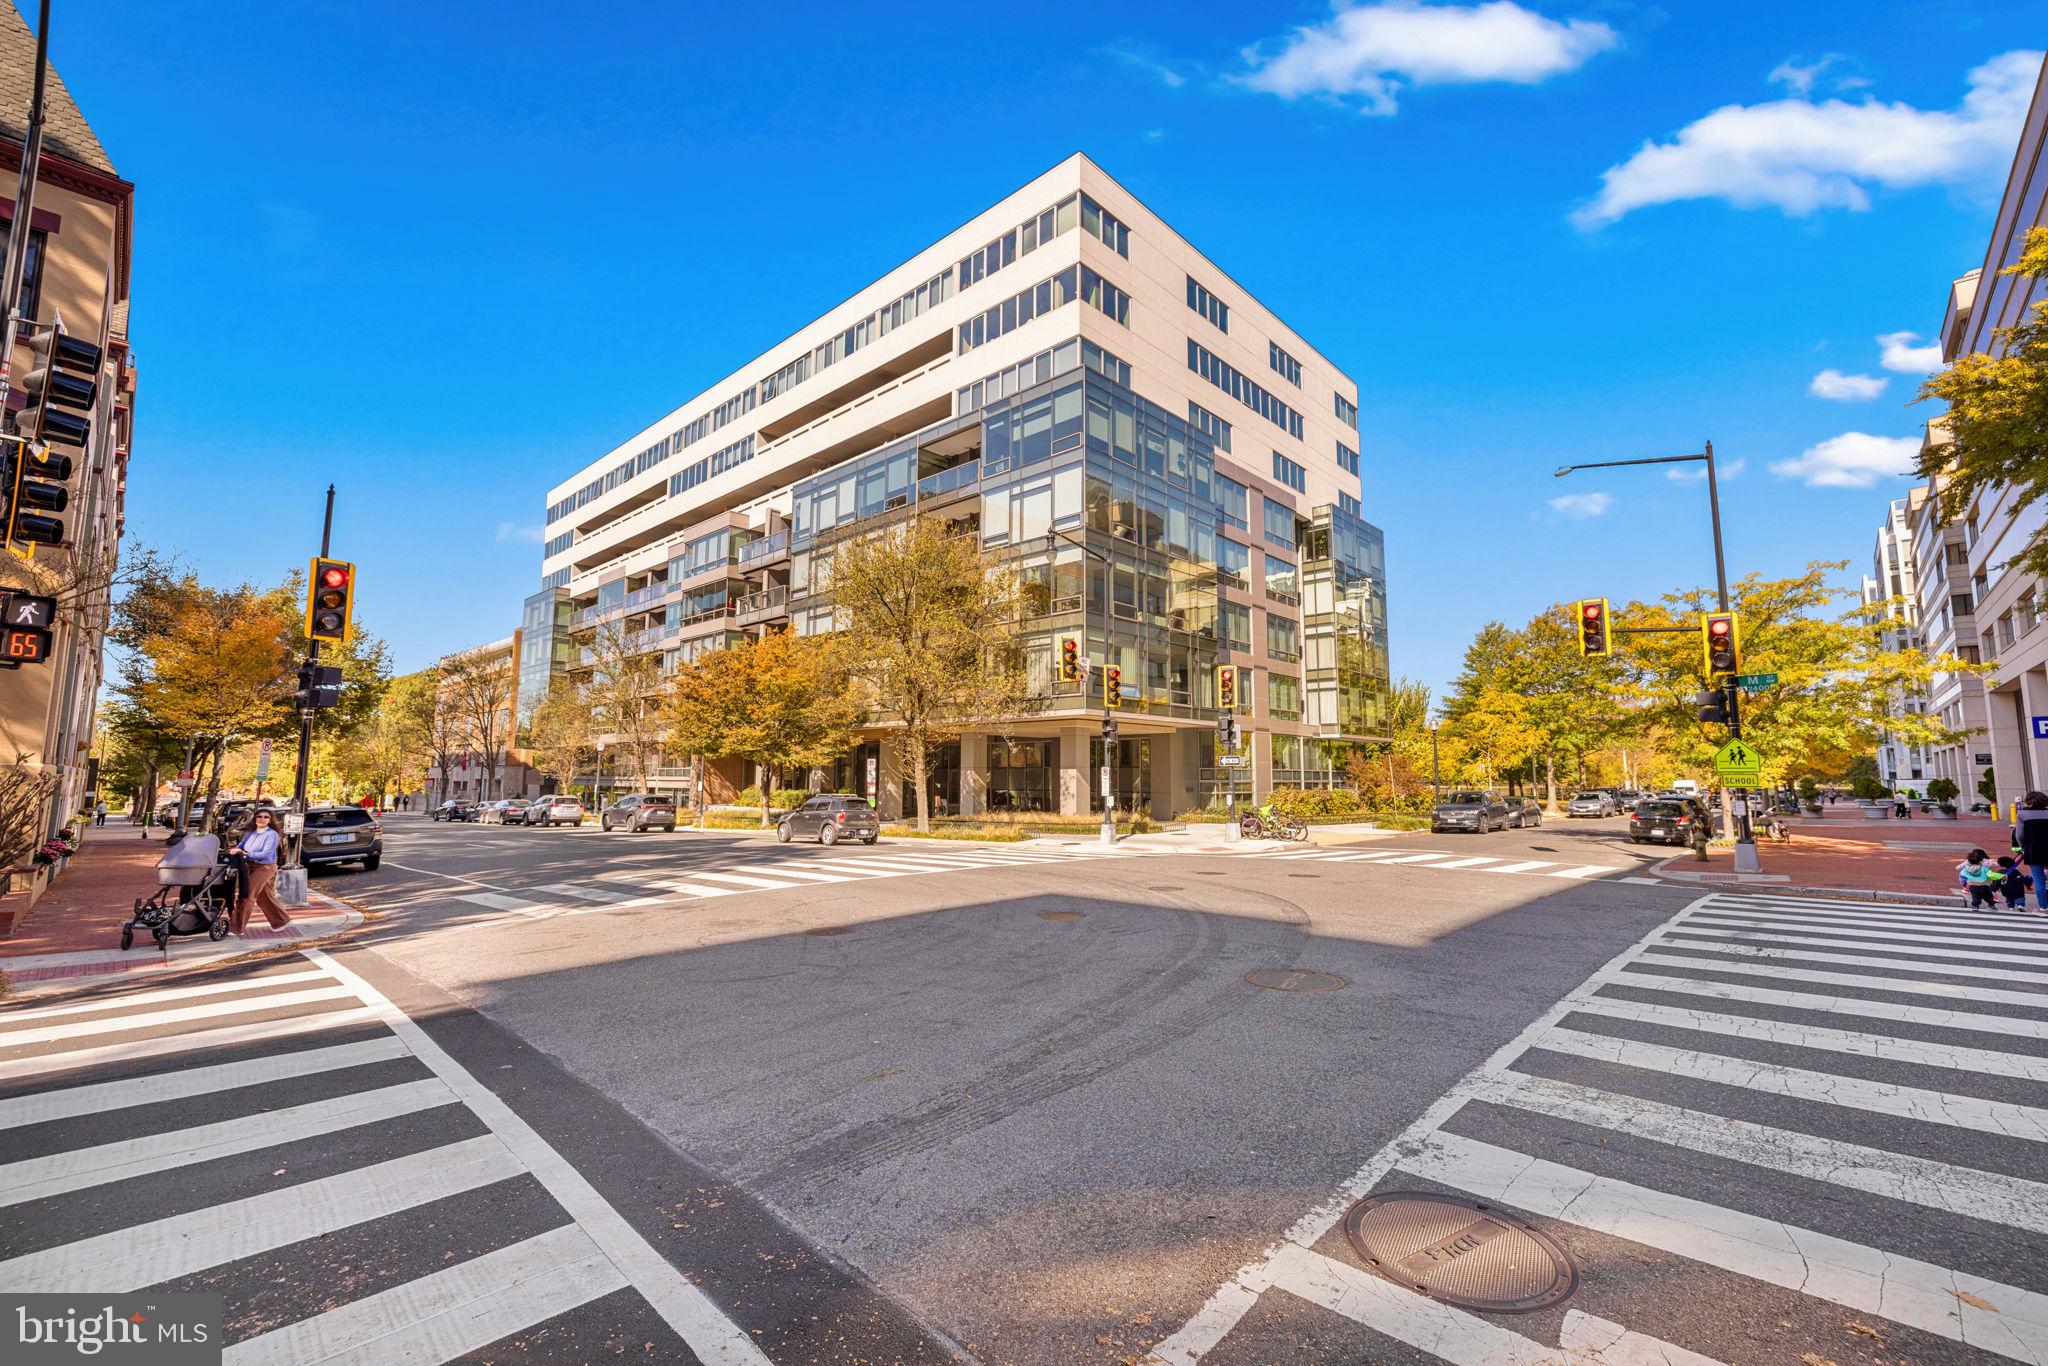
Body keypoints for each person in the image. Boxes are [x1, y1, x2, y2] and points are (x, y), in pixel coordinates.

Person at [229, 808, 291, 935]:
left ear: (270, 820)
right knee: (264, 897)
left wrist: (245, 854)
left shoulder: (271, 834)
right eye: (259, 816)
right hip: (249, 867)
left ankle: (236, 928)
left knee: (246, 896)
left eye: (266, 817)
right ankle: (281, 921)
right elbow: (241, 846)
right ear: (255, 818)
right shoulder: (251, 833)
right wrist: (233, 850)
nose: (262, 819)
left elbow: (266, 853)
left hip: (265, 867)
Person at [2011, 791, 2048, 911]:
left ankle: (2043, 908)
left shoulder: (2022, 814)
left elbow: (2019, 835)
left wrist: (2022, 847)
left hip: (2033, 849)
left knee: (2039, 880)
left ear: (2028, 801)